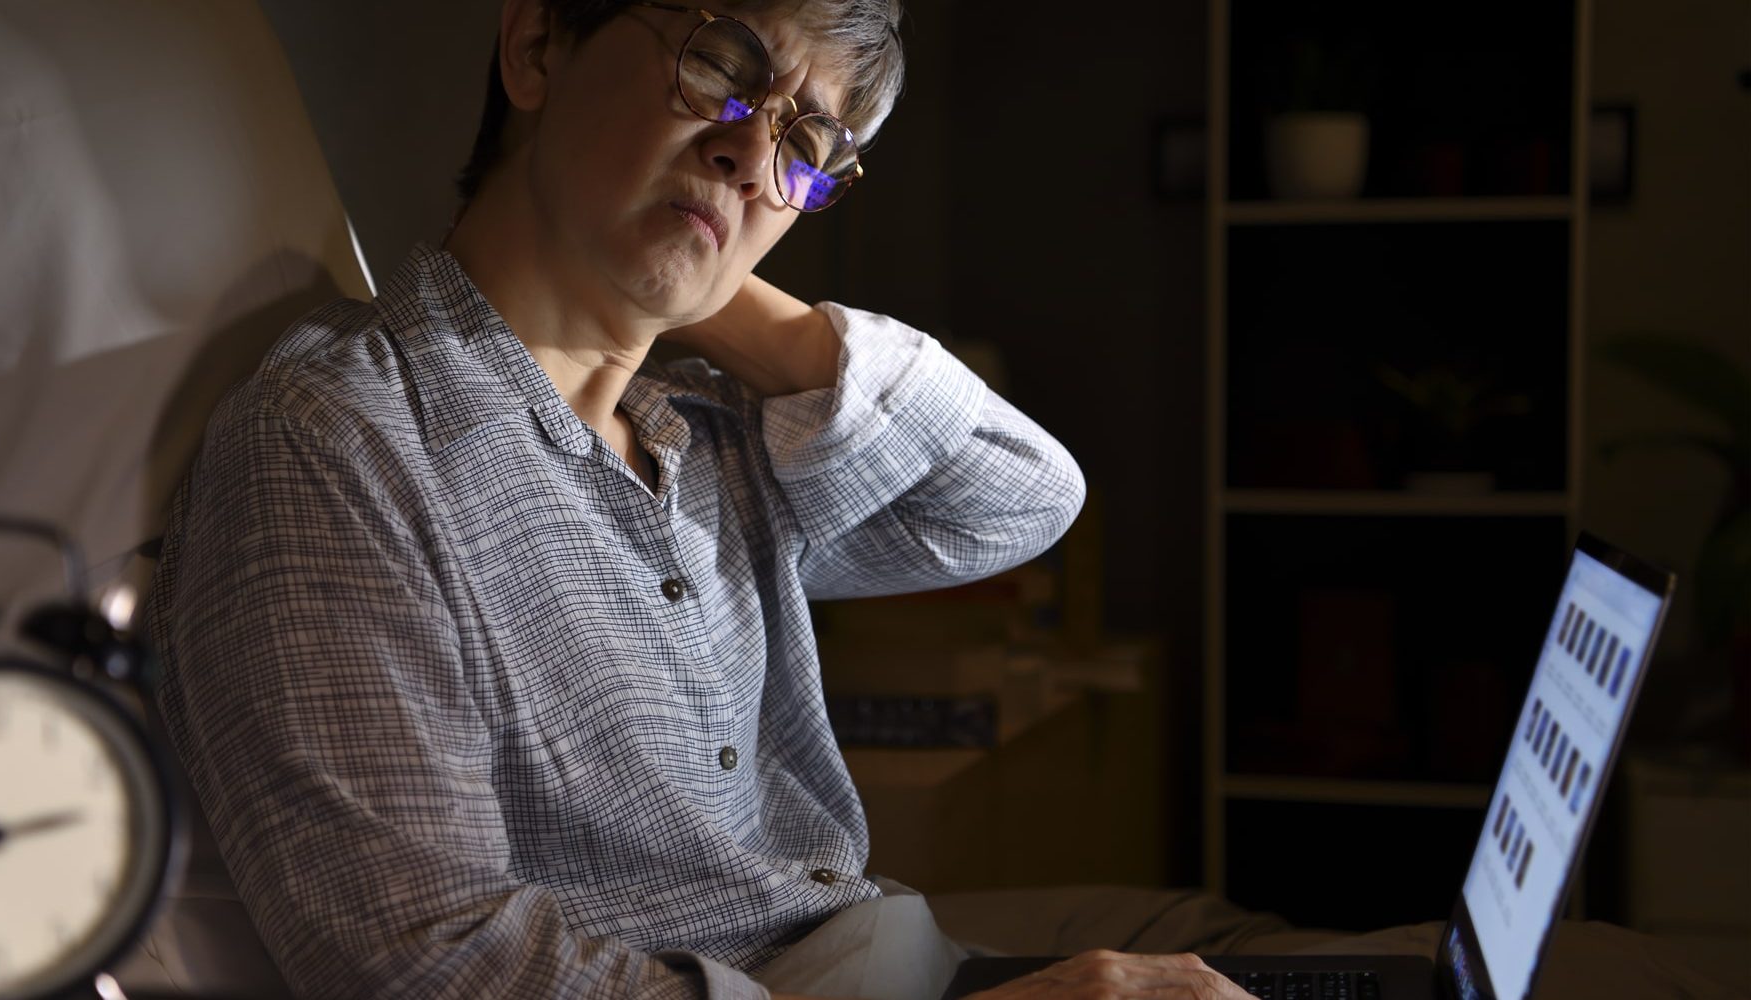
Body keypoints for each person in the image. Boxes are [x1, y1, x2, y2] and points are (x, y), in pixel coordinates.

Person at [148, 1, 1252, 997]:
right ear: (536, 45)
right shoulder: (342, 443)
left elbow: (1019, 496)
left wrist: (695, 287)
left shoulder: (710, 433)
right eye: (719, 63)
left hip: (882, 949)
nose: (750, 153)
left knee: (1270, 946)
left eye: (807, 143)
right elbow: (428, 957)